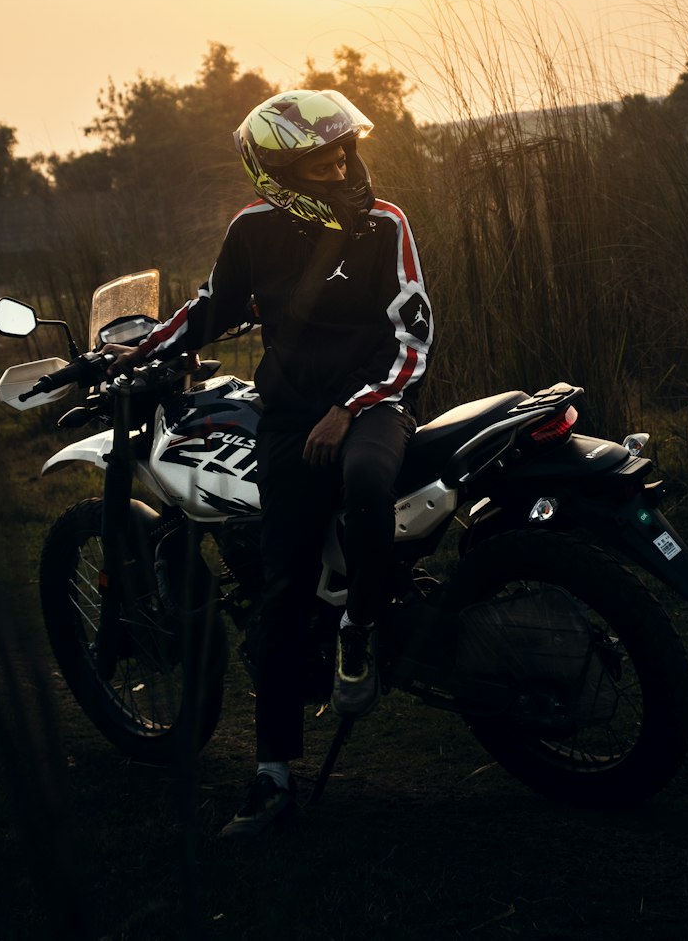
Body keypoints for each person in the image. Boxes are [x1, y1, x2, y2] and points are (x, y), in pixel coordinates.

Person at [105, 88, 433, 837]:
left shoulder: (387, 224)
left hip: (373, 408)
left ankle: (359, 630)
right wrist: (143, 347)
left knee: (367, 480)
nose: (346, 166)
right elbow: (210, 309)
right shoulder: (252, 230)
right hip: (287, 420)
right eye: (326, 160)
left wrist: (352, 406)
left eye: (349, 151)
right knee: (281, 592)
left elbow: (413, 337)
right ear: (280, 171)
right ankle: (272, 775)